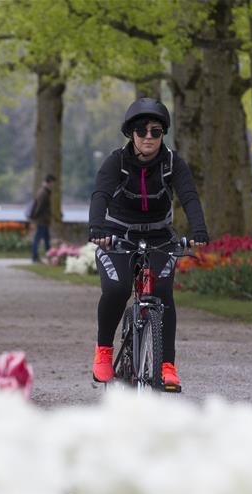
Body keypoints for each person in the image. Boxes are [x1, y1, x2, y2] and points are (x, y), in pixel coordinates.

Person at [88, 98, 209, 387]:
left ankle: (167, 364)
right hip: (118, 236)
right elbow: (100, 195)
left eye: (156, 131)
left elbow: (189, 196)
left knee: (163, 291)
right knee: (117, 289)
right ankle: (104, 351)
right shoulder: (115, 161)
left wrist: (199, 230)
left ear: (163, 134)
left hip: (158, 236)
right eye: (142, 131)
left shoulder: (172, 163)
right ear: (131, 133)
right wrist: (96, 228)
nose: (148, 137)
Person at [30, 175, 55, 263]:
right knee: (38, 239)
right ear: (49, 182)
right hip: (42, 221)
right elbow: (39, 207)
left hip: (44, 220)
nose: (53, 185)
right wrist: (36, 217)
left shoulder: (44, 191)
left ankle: (50, 257)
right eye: (52, 183)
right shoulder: (43, 193)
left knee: (46, 240)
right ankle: (35, 257)